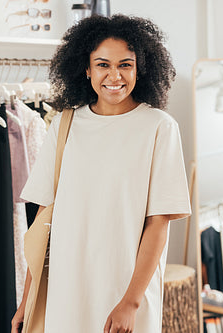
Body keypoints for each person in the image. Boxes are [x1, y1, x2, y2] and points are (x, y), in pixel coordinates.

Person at [12, 14, 191, 333]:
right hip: (67, 291)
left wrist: (131, 302)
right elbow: (43, 223)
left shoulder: (159, 128)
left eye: (125, 64)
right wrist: (28, 298)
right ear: (87, 69)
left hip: (125, 293)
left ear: (140, 68)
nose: (115, 75)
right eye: (103, 64)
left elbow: (158, 225)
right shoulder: (64, 126)